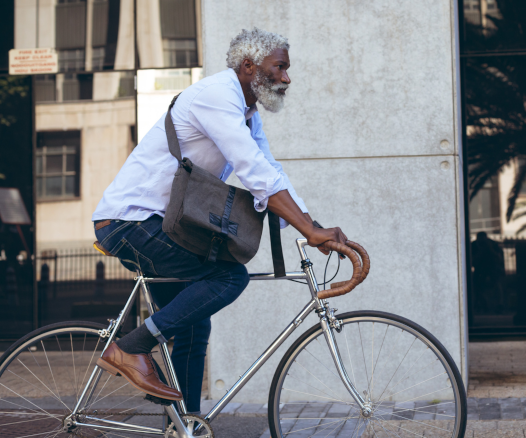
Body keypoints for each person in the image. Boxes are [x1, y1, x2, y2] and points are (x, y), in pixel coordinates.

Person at [91, 28, 347, 413]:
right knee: (229, 277)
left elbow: (270, 171)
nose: (286, 78)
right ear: (249, 67)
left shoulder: (246, 113)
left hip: (158, 226)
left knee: (194, 327)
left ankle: (185, 430)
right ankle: (130, 348)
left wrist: (313, 227)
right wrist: (309, 231)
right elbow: (252, 170)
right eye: (279, 67)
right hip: (131, 223)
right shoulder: (215, 97)